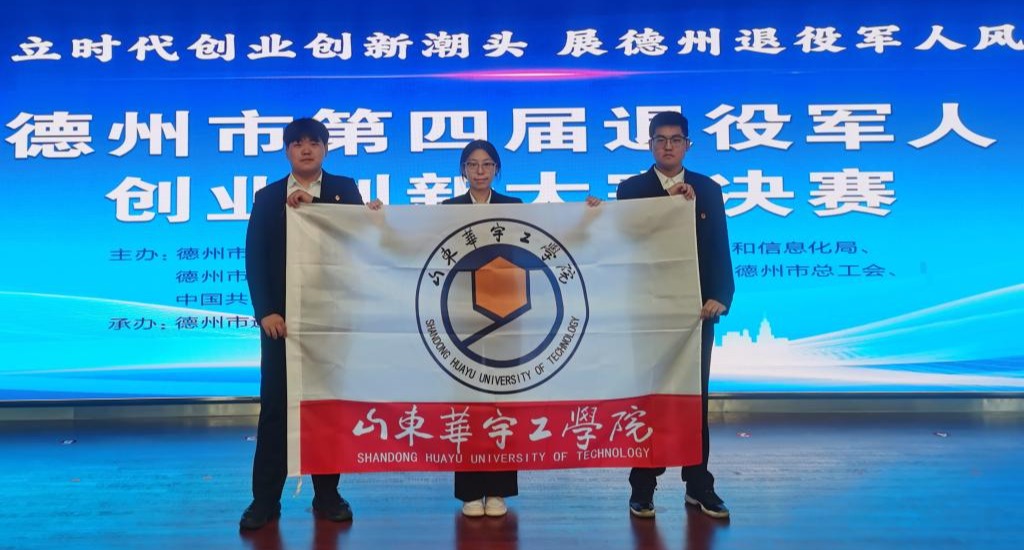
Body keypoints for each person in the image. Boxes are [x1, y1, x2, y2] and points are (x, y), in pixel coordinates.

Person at [240, 118, 366, 530]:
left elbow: (359, 240)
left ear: (325, 149)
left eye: (314, 142)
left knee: (326, 409)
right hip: (281, 324)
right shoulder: (268, 197)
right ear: (287, 151)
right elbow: (255, 258)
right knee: (275, 411)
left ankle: (327, 495)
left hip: (329, 319)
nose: (306, 150)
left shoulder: (344, 190)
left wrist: (353, 213)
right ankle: (265, 501)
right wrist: (265, 311)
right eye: (297, 143)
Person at [616, 111, 735, 519]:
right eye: (660, 139)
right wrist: (669, 207)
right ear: (650, 144)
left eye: (676, 139)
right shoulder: (631, 189)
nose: (668, 146)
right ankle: (643, 486)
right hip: (647, 311)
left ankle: (699, 484)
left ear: (687, 145)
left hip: (695, 312)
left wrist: (721, 295)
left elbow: (718, 245)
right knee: (648, 397)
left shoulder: (707, 189)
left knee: (693, 400)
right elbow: (624, 242)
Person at [442, 140, 522, 517]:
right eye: (472, 165)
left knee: (502, 400)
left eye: (487, 164)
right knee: (468, 401)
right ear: (463, 170)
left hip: (507, 316)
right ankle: (470, 491)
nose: (479, 171)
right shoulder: (448, 210)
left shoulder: (514, 207)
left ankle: (499, 489)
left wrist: (588, 213)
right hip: (463, 317)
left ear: (496, 169)